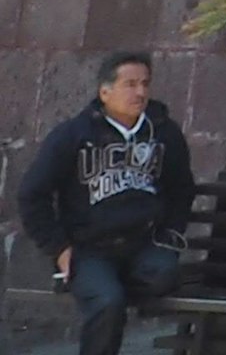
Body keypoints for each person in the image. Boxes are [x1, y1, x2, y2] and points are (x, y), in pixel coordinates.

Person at [14, 50, 195, 355]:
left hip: (144, 246)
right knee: (108, 302)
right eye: (130, 84)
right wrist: (59, 249)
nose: (140, 92)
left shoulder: (164, 133)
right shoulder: (72, 135)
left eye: (145, 84)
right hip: (89, 247)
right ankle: (94, 282)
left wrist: (170, 236)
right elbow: (32, 195)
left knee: (165, 276)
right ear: (105, 91)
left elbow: (181, 189)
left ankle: (102, 282)